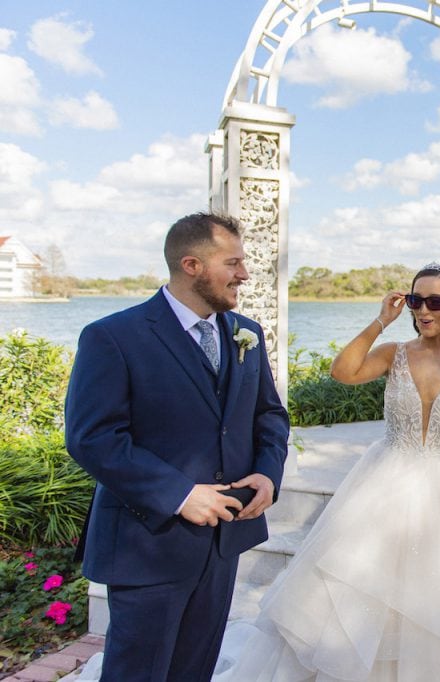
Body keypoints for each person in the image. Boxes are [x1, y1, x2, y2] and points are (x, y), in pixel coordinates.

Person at [210, 263, 440, 681]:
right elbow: (342, 371)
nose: (424, 311)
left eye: (436, 302)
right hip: (386, 480)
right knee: (363, 589)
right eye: (417, 301)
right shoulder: (395, 353)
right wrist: (382, 320)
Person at [65, 212, 290, 681]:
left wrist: (268, 473)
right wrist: (181, 494)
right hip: (148, 543)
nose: (244, 274)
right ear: (192, 265)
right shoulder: (113, 337)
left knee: (195, 669)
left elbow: (268, 415)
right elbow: (93, 438)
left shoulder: (243, 331)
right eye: (233, 262)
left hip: (224, 540)